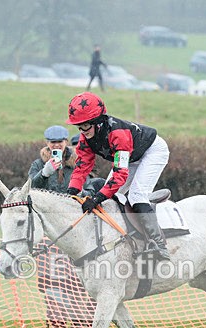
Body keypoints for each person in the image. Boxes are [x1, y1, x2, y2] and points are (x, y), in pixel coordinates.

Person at [65, 91, 172, 261]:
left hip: (152, 151)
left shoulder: (118, 134)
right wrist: (71, 191)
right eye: (79, 127)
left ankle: (158, 244)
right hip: (131, 156)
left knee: (137, 196)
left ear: (97, 122)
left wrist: (97, 197)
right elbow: (82, 166)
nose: (82, 131)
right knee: (110, 199)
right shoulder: (86, 138)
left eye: (85, 125)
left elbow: (120, 173)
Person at [28, 125, 97, 328]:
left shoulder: (77, 161)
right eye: (52, 142)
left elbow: (86, 187)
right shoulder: (39, 164)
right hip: (51, 234)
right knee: (52, 285)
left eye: (60, 141)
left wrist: (81, 194)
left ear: (66, 142)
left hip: (76, 231)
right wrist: (45, 173)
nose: (56, 145)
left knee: (79, 282)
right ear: (47, 142)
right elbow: (29, 190)